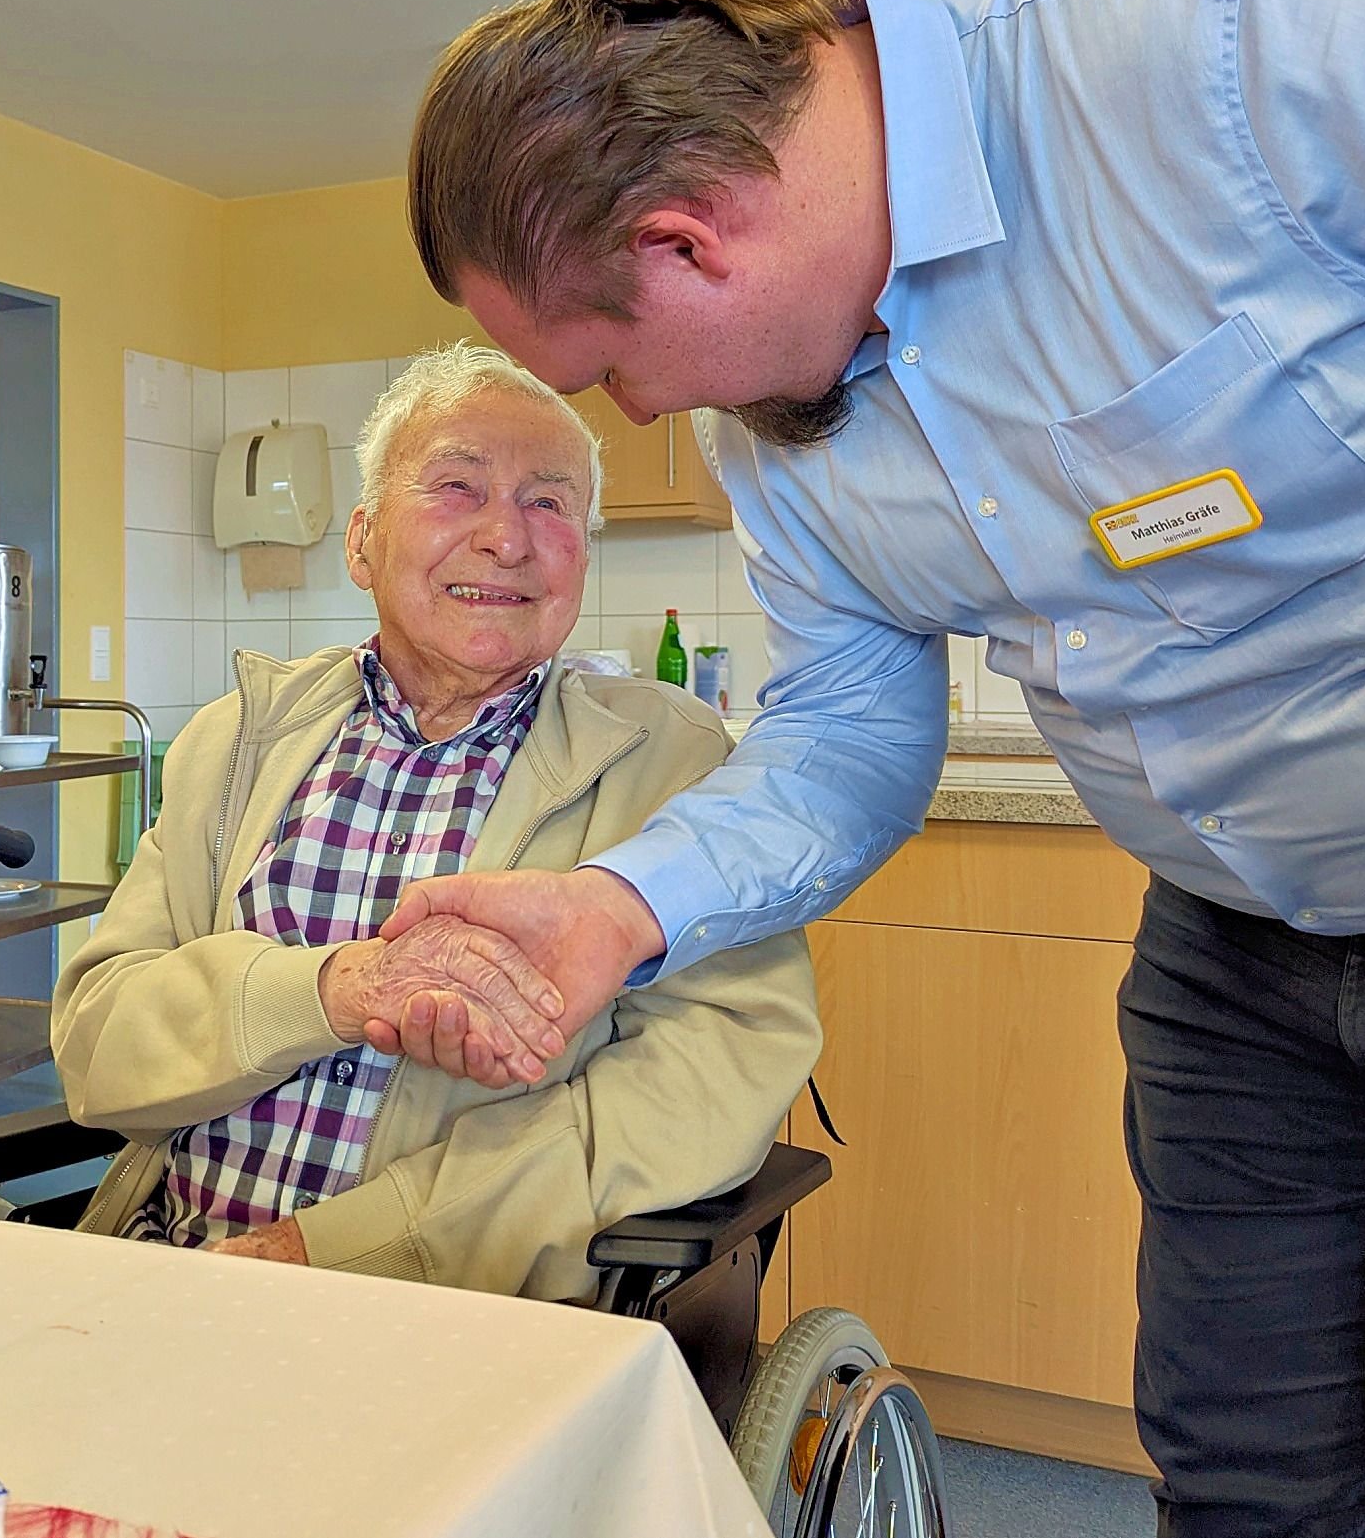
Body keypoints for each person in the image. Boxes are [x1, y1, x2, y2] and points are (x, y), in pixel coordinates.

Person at [388, 0, 1365, 1536]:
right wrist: (623, 906)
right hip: (1239, 951)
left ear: (685, 242)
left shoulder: (1273, 10)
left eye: (606, 369)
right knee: (1236, 1477)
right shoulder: (778, 432)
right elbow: (844, 734)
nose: (631, 417)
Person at [51, 345, 818, 1298]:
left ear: (581, 556)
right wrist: (336, 988)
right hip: (170, 1266)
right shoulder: (237, 740)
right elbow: (97, 1049)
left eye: (549, 503)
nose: (506, 538)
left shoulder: (675, 767)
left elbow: (709, 1081)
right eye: (457, 486)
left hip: (457, 1312)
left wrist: (344, 1243)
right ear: (361, 540)